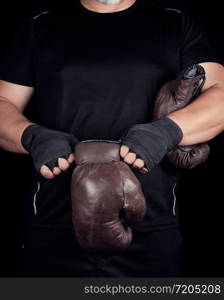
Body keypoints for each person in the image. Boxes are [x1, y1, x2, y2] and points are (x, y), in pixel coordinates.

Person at [0, 0, 223, 277]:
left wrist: (165, 131)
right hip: (54, 224)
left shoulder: (175, 23)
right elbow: (3, 103)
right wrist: (31, 136)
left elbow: (219, 96)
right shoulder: (40, 26)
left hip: (151, 225)